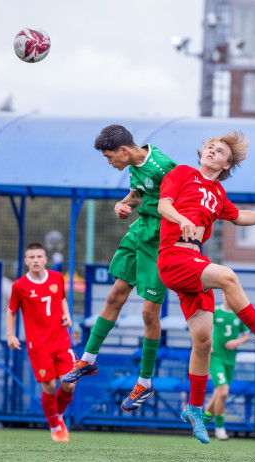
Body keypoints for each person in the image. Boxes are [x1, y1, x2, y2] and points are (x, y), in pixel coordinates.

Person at [157, 131, 255, 444]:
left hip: (194, 260)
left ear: (226, 165)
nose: (212, 150)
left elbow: (240, 216)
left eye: (220, 150)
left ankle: (195, 408)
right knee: (228, 276)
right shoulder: (182, 173)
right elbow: (163, 206)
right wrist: (181, 218)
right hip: (174, 255)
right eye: (210, 146)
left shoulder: (218, 193)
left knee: (203, 341)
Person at [61, 124, 177, 414]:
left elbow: (183, 201)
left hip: (159, 240)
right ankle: (87, 359)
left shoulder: (164, 167)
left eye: (109, 157)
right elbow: (139, 196)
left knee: (149, 313)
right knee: (114, 297)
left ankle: (145, 382)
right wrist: (122, 205)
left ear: (124, 151)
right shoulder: (136, 164)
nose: (110, 162)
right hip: (139, 232)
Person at [7, 243, 76, 442]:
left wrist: (67, 315)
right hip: (38, 346)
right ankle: (55, 427)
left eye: (39, 256)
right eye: (32, 257)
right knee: (50, 388)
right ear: (26, 261)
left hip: (61, 339)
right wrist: (10, 335)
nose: (36, 260)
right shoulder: (19, 286)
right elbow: (11, 311)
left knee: (69, 384)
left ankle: (59, 417)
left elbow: (61, 298)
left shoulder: (57, 277)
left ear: (45, 259)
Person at [204, 292, 250, 440]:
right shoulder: (215, 312)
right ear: (223, 295)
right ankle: (219, 428)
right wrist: (208, 343)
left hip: (230, 359)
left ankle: (202, 421)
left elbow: (246, 336)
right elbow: (203, 329)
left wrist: (237, 342)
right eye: (227, 294)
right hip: (216, 356)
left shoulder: (239, 314)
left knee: (219, 392)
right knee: (223, 392)